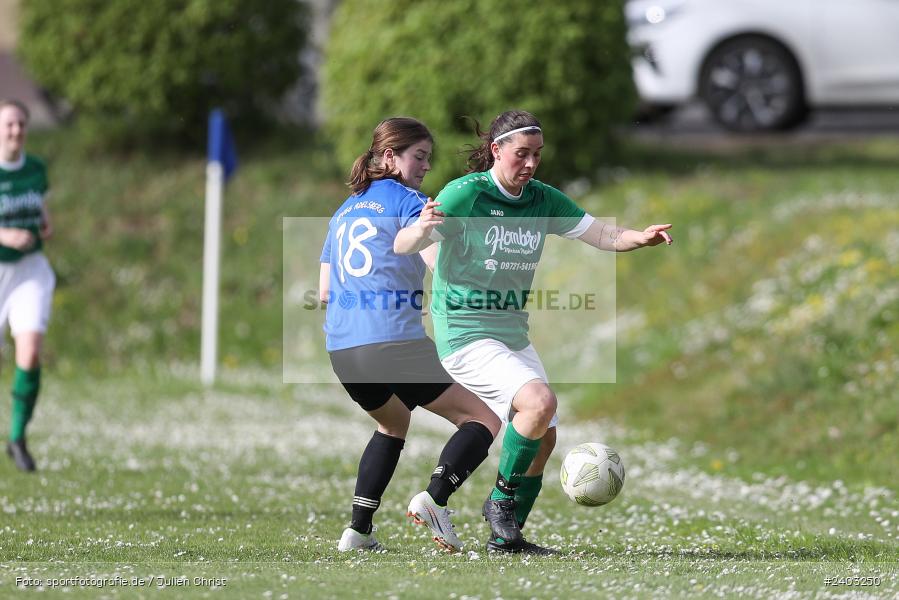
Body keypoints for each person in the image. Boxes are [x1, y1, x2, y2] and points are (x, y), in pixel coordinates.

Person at [394, 109, 673, 554]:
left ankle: (507, 539)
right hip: (465, 332)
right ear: (496, 150)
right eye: (521, 154)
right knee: (538, 402)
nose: (530, 164)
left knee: (544, 436)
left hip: (511, 335)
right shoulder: (466, 194)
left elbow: (601, 233)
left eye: (537, 155)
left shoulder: (541, 199)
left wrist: (639, 237)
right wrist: (421, 230)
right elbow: (405, 244)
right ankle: (500, 502)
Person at [319, 117, 500, 553]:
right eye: (419, 156)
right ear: (389, 156)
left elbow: (324, 292)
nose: (425, 166)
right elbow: (439, 263)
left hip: (342, 348)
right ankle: (435, 499)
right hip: (392, 341)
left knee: (393, 422)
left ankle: (358, 531)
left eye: (427, 158)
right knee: (484, 418)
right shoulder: (411, 201)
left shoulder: (344, 211)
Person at [0, 99, 56, 473]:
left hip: (29, 271)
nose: (16, 130)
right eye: (8, 124)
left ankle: (17, 437)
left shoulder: (36, 168)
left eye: (21, 123)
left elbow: (41, 210)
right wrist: (4, 234)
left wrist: (45, 224)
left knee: (30, 351)